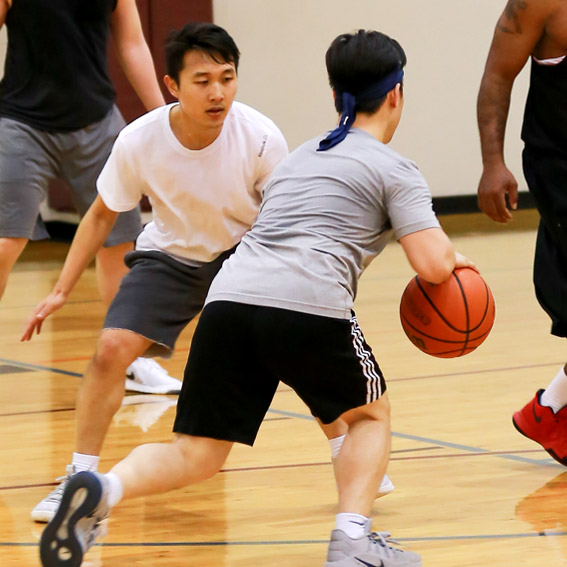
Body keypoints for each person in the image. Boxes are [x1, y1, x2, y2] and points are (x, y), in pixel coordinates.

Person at [39, 29, 476, 567]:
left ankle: (104, 488)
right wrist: (460, 263)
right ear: (396, 95)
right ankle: (353, 543)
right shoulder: (394, 168)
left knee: (196, 452)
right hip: (308, 302)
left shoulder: (299, 157)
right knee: (369, 415)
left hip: (229, 300)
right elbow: (433, 266)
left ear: (335, 95)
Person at [22, 21, 289, 524]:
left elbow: (285, 219)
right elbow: (102, 213)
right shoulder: (140, 139)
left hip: (243, 259)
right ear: (172, 86)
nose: (217, 93)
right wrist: (60, 289)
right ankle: (79, 479)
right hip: (170, 258)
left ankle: (349, 441)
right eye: (203, 80)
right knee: (109, 350)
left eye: (227, 78)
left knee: (300, 342)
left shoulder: (260, 137)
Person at [0, 0, 183, 395]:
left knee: (119, 245)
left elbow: (132, 43)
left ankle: (130, 361)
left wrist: (163, 120)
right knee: (4, 244)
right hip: (21, 123)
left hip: (97, 122)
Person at [477, 0, 567, 466]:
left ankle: (548, 412)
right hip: (561, 165)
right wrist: (493, 163)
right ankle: (548, 413)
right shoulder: (540, 4)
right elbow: (497, 76)